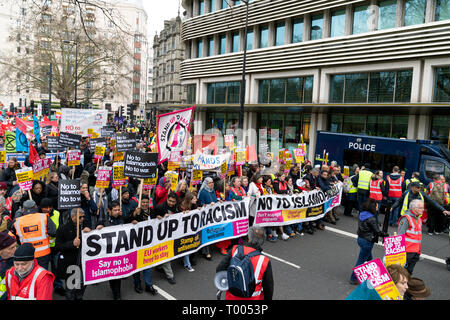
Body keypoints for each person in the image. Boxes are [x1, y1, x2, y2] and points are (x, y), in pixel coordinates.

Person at [216, 226, 273, 300]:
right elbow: (268, 288)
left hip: (232, 297)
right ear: (262, 241)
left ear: (249, 237)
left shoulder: (235, 250)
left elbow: (219, 269)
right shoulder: (264, 261)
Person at [96, 201, 134, 300]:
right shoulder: (103, 221)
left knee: (117, 275)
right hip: (109, 254)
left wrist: (133, 219)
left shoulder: (121, 219)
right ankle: (115, 293)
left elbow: (129, 221)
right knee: (113, 275)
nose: (117, 212)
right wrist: (98, 229)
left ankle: (117, 293)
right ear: (109, 210)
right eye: (115, 210)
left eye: (118, 210)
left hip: (120, 252)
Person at [349, 198, 389, 285]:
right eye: (376, 206)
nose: (378, 207)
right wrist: (384, 234)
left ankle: (368, 275)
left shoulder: (362, 214)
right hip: (368, 241)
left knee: (369, 259)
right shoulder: (372, 219)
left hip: (361, 238)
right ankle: (353, 278)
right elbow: (377, 231)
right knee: (361, 261)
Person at [55, 208, 91, 300]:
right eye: (80, 217)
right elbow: (58, 246)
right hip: (71, 263)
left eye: (83, 217)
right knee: (71, 288)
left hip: (83, 262)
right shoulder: (63, 229)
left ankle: (79, 297)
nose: (83, 219)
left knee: (83, 283)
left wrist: (92, 231)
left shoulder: (85, 226)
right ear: (73, 217)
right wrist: (72, 244)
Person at [11, 200, 57, 270]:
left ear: (23, 209)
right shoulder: (43, 217)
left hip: (27, 254)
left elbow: (14, 234)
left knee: (29, 277)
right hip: (43, 254)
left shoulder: (18, 221)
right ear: (35, 207)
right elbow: (53, 232)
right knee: (42, 276)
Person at [129, 195, 158, 295]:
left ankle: (148, 285)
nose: (145, 204)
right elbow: (127, 219)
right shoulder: (136, 211)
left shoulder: (152, 211)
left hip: (148, 242)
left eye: (146, 202)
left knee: (147, 263)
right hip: (137, 243)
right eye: (143, 202)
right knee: (137, 264)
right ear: (140, 203)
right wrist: (134, 216)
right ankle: (137, 284)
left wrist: (159, 218)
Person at [39, 198, 64, 296]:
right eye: (45, 208)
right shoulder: (38, 216)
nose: (48, 209)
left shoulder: (57, 214)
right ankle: (42, 289)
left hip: (55, 247)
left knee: (56, 268)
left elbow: (60, 228)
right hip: (42, 248)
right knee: (42, 270)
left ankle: (58, 286)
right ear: (41, 208)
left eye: (50, 207)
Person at [153, 192, 178, 284]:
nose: (171, 203)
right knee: (166, 254)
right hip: (161, 235)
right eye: (170, 201)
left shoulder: (175, 206)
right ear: (167, 199)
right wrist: (160, 217)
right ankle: (170, 275)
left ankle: (159, 266)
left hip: (171, 233)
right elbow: (152, 219)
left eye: (173, 202)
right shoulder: (160, 207)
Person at [397, 199, 425, 275]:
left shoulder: (418, 219)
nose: (423, 210)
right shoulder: (406, 218)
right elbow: (400, 236)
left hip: (416, 252)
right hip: (407, 252)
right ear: (414, 208)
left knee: (409, 273)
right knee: (402, 274)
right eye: (420, 208)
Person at [0, 232, 17, 300]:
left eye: (15, 246)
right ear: (1, 251)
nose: (15, 249)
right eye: (11, 248)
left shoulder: (18, 260)